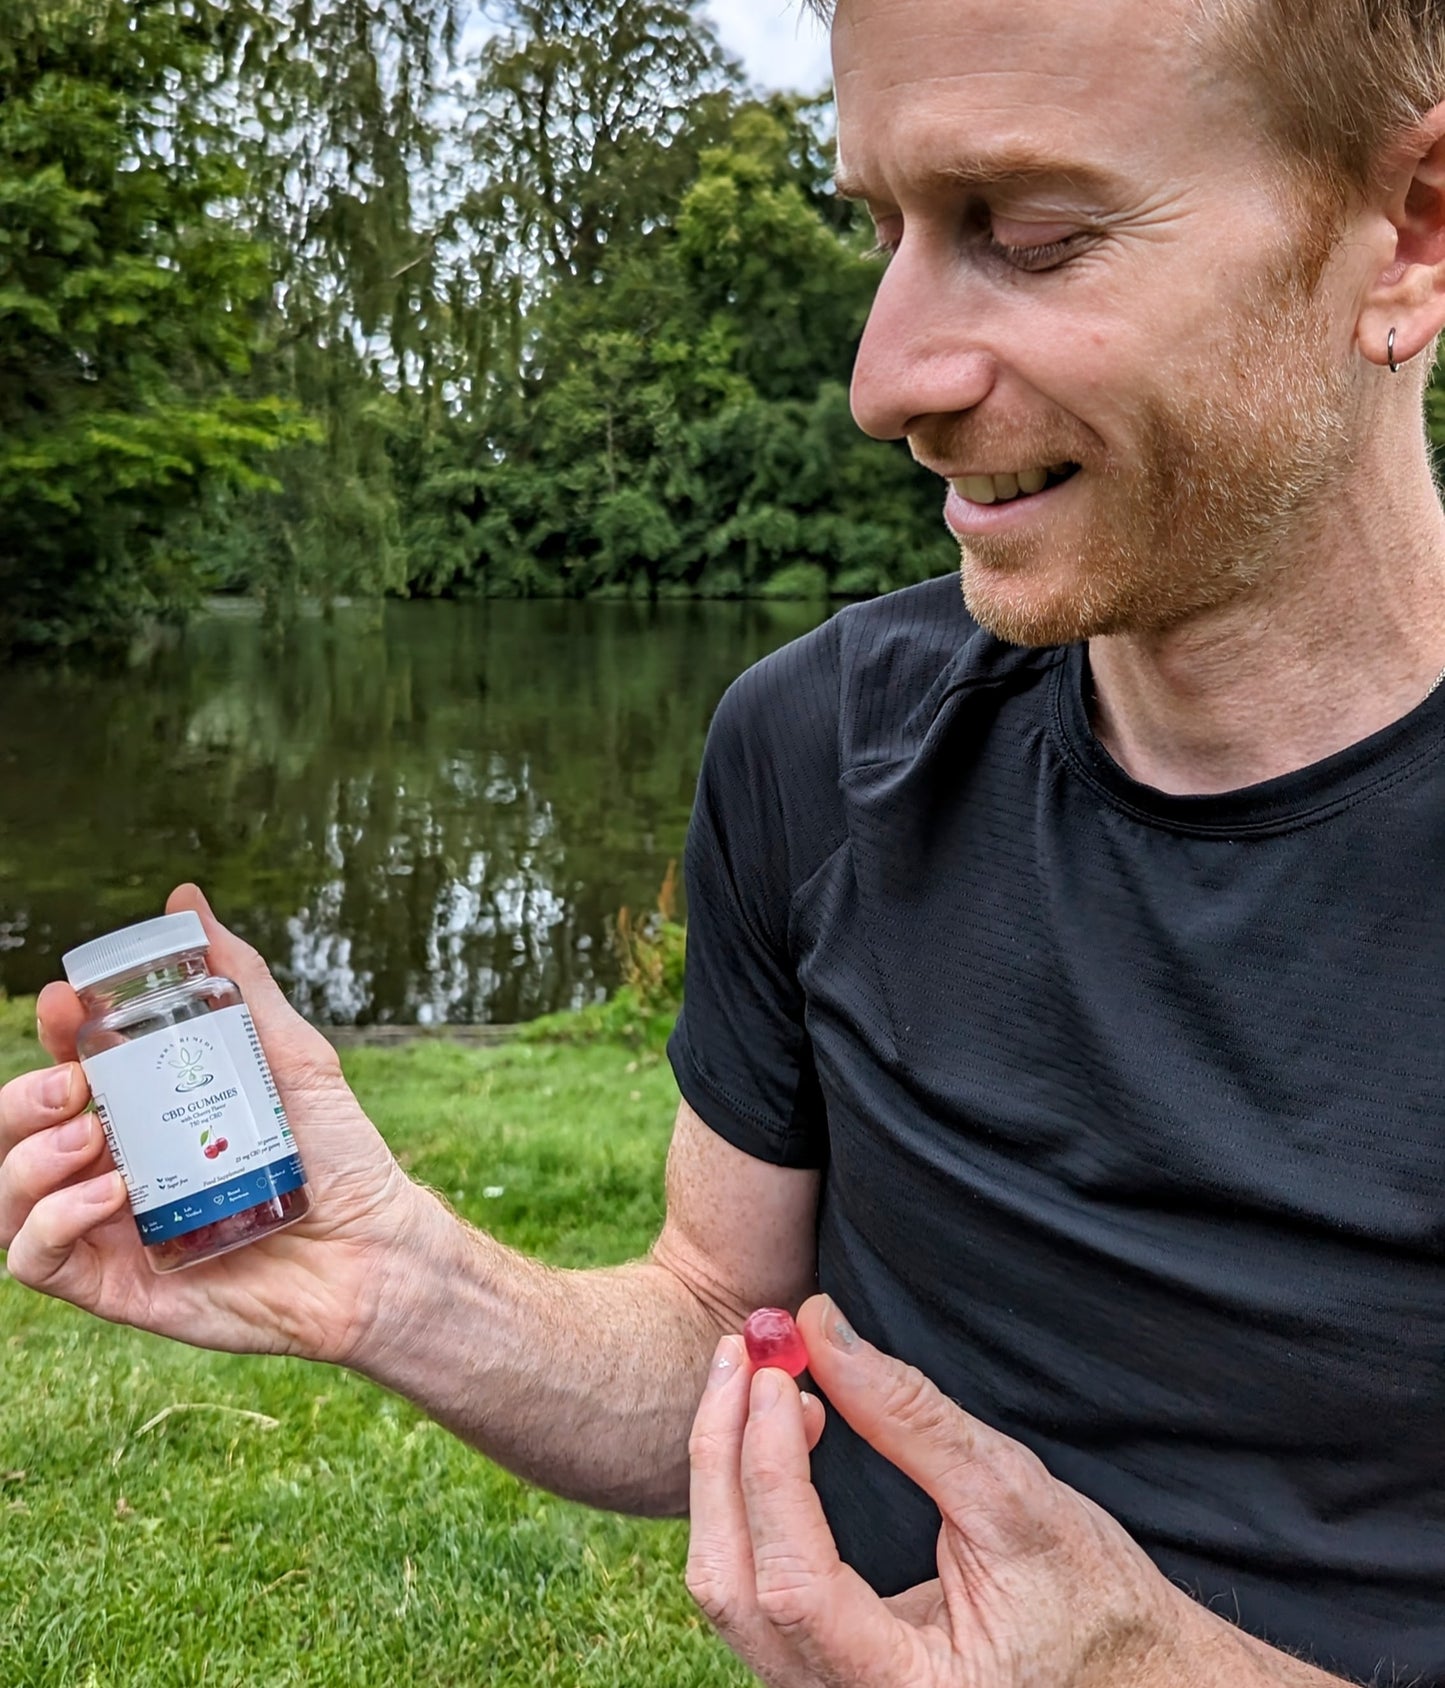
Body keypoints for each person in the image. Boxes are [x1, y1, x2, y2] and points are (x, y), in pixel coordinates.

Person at [5, 0, 1445, 1679]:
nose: (883, 379)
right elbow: (724, 1325)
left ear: (1405, 232)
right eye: (882, 227)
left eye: (1035, 239)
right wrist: (393, 1279)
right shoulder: (815, 747)